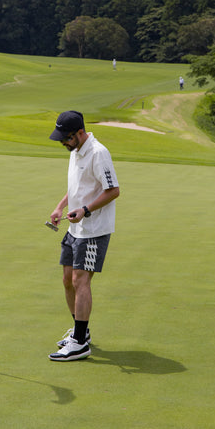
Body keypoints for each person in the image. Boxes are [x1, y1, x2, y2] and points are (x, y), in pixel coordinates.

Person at [48, 110, 120, 361]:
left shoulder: (99, 153)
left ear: (79, 133)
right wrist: (61, 207)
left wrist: (86, 210)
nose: (63, 144)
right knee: (68, 280)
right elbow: (76, 187)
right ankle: (82, 332)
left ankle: (79, 343)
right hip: (74, 228)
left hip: (93, 230)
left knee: (80, 281)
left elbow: (113, 191)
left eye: (65, 139)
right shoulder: (76, 150)